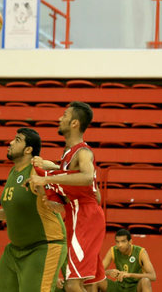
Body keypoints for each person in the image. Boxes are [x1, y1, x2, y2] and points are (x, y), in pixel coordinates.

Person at [0, 128, 67, 292]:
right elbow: (15, 210)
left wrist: (47, 164)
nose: (10, 143)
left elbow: (64, 173)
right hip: (15, 250)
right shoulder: (13, 173)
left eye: (17, 140)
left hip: (43, 247)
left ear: (28, 149)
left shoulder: (37, 170)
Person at [27, 101, 106, 292]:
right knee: (89, 283)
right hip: (77, 215)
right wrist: (52, 168)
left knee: (72, 285)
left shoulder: (83, 151)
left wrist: (46, 180)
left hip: (85, 217)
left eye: (64, 115)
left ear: (74, 123)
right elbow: (94, 192)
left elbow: (88, 177)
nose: (59, 118)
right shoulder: (68, 155)